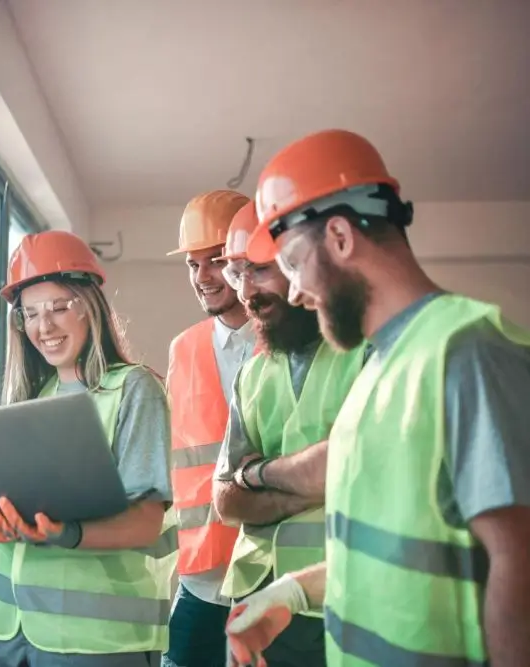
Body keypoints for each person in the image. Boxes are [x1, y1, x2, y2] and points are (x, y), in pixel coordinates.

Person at [226, 128, 530, 667]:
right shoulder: (375, 370)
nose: (293, 291)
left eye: (292, 263)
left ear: (340, 237)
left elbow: (518, 564)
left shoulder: (468, 349)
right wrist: (294, 592)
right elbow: (399, 551)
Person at [0, 229, 178, 666]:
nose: (45, 326)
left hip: (97, 638)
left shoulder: (133, 389)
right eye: (31, 314)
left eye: (60, 307)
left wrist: (66, 533)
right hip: (12, 628)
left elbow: (146, 522)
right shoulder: (29, 403)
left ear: (91, 306)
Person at [211, 200, 368, 667]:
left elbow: (355, 466)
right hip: (259, 601)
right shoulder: (254, 371)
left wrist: (257, 474)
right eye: (237, 274)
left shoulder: (364, 350)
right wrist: (308, 486)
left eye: (259, 271)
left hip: (344, 591)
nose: (245, 292)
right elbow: (224, 500)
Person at [161, 191, 256, 667]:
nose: (202, 277)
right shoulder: (182, 350)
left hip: (272, 575)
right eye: (193, 265)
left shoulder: (289, 342)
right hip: (202, 580)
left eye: (215, 260)